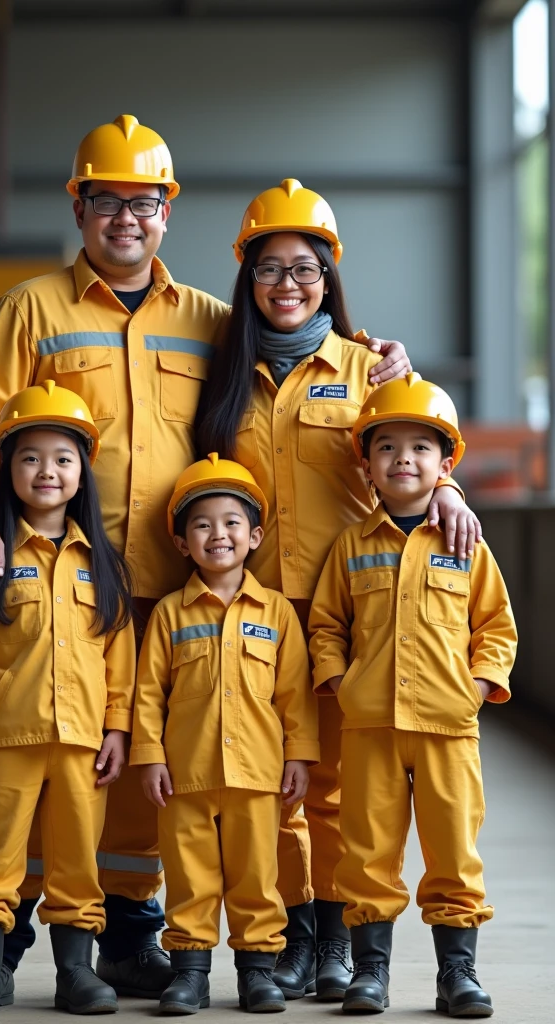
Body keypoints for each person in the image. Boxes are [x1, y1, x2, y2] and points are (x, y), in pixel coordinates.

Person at [0, 121, 410, 1000]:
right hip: (64, 582)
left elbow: (306, 341)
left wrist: (397, 371)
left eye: (145, 202)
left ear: (167, 214)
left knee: (141, 777)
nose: (128, 217)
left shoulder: (208, 319)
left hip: (182, 585)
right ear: (79, 206)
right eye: (109, 200)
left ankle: (126, 934)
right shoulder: (32, 309)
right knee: (40, 767)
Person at [195, 178, 482, 1002]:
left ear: (330, 277)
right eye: (271, 269)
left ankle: (339, 947)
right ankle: (291, 940)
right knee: (272, 788)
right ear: (247, 279)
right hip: (250, 619)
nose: (289, 285)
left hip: (351, 617)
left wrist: (454, 496)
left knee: (337, 796)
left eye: (306, 268)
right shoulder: (221, 377)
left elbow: (419, 454)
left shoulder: (370, 369)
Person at [308, 373, 517, 1016]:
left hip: (448, 728)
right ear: (366, 465)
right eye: (388, 448)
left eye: (421, 448)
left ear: (445, 463)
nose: (404, 459)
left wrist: (475, 688)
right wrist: (343, 685)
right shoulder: (351, 546)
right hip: (369, 726)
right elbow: (326, 626)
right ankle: (370, 974)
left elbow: (496, 627)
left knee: (453, 848)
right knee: (366, 853)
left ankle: (458, 974)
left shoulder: (464, 544)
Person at [0, 381, 136, 1018]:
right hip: (6, 740)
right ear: (5, 469)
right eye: (29, 457)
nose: (46, 471)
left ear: (84, 471)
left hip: (83, 744)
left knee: (77, 861)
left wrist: (118, 730)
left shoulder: (102, 566)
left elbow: (120, 661)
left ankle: (76, 974)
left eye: (62, 458)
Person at [131, 454, 320, 1014]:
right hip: (185, 776)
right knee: (190, 879)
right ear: (183, 543)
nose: (219, 534)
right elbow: (148, 694)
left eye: (233, 522)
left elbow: (295, 695)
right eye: (203, 524)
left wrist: (299, 757)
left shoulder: (279, 612)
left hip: (259, 775)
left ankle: (257, 971)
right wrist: (150, 757)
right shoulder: (169, 614)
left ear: (256, 535)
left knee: (257, 878)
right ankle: (189, 973)